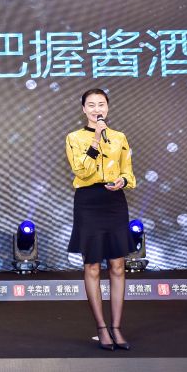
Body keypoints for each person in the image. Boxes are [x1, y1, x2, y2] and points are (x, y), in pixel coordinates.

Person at [65, 88, 136, 351]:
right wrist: (95, 139)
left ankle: (117, 327)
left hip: (114, 203)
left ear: (108, 107)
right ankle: (102, 328)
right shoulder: (74, 138)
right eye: (92, 105)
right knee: (92, 265)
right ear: (84, 109)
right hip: (89, 202)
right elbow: (81, 170)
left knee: (117, 265)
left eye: (101, 104)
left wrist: (122, 181)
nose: (97, 109)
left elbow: (129, 173)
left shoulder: (119, 137)